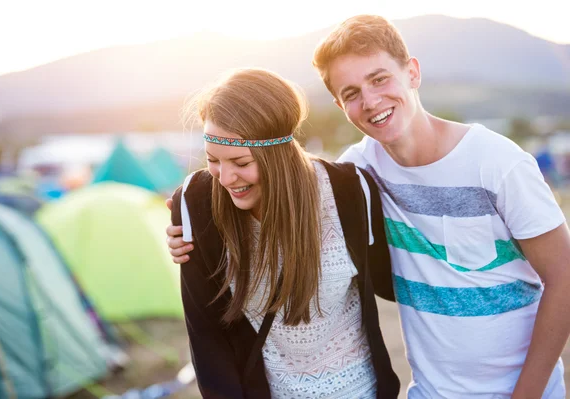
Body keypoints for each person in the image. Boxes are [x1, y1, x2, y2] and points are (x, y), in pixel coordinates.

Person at [168, 15, 570, 398]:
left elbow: (564, 277)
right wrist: (189, 229)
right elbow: (299, 181)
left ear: (412, 72)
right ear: (340, 105)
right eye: (351, 94)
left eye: (379, 79)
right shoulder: (360, 172)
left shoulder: (497, 163)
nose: (372, 101)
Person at [171, 67, 400, 398]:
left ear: (277, 155)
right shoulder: (196, 203)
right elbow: (205, 336)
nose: (225, 178)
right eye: (213, 160)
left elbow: (392, 283)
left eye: (240, 162)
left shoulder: (350, 190)